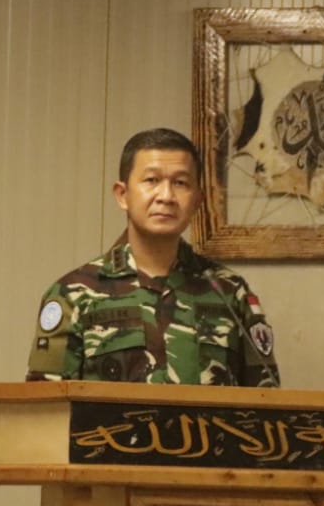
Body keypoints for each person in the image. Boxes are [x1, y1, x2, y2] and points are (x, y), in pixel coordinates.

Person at [26, 128, 280, 387]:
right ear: (122, 195)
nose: (166, 196)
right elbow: (46, 404)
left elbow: (266, 396)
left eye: (180, 183)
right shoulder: (74, 294)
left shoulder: (229, 292)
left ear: (197, 201)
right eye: (151, 180)